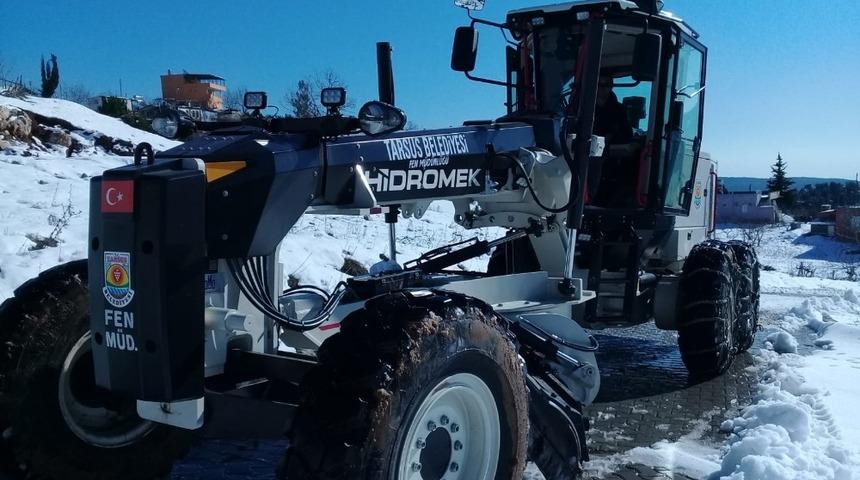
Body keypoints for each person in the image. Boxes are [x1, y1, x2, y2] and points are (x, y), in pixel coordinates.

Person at [593, 76, 632, 144]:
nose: (602, 88)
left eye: (606, 84)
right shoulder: (583, 108)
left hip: (612, 151)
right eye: (599, 84)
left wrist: (612, 134)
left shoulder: (620, 110)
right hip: (584, 150)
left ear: (611, 86)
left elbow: (627, 136)